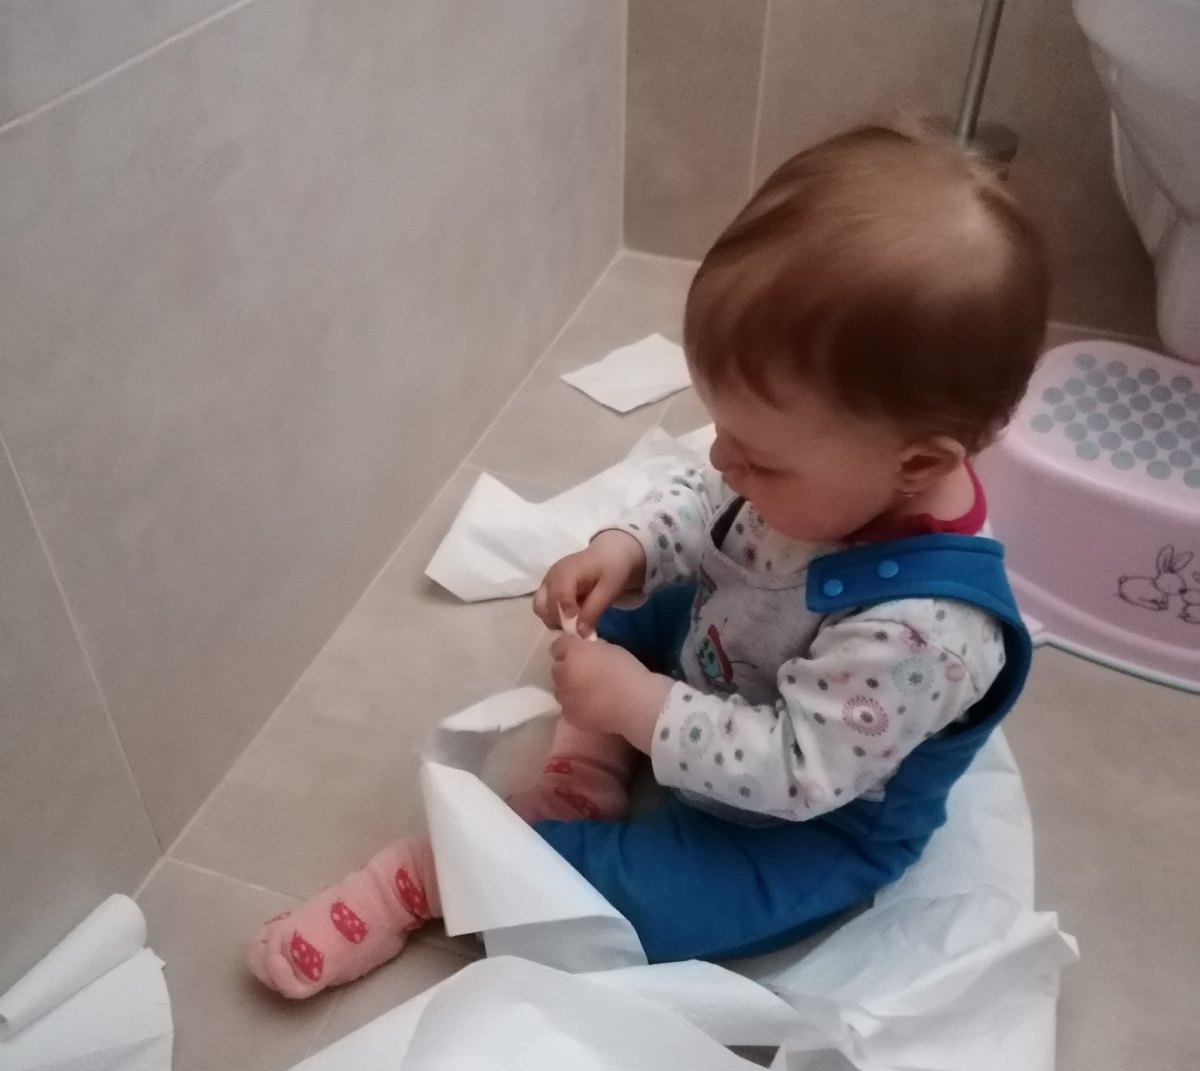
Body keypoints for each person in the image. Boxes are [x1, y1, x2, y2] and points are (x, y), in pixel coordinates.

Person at [248, 122, 1049, 998]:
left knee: (647, 910)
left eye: (759, 457)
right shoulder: (831, 471)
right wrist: (626, 550)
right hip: (731, 650)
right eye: (725, 429)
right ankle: (584, 773)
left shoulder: (926, 634)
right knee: (617, 612)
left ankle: (432, 879)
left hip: (794, 822)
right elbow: (707, 504)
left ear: (917, 465)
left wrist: (641, 707)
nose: (722, 460)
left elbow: (794, 769)